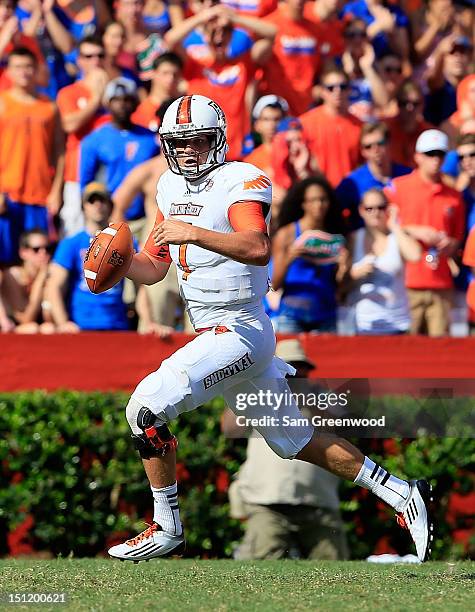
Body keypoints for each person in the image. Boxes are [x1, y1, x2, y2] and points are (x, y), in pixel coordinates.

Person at [104, 95, 433, 564]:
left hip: (240, 328)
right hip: (214, 331)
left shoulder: (241, 179)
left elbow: (257, 246)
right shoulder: (168, 187)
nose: (188, 152)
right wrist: (119, 267)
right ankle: (404, 495)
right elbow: (155, 267)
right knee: (293, 441)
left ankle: (167, 525)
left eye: (197, 141)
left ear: (217, 140)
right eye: (179, 143)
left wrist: (194, 232)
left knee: (144, 409)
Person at [222, 339, 348, 560]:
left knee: (335, 568)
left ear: (308, 372)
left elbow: (337, 426)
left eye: (300, 369)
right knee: (262, 570)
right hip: (266, 501)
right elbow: (230, 430)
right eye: (288, 368)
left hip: (318, 502)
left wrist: (308, 398)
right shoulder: (258, 394)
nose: (294, 375)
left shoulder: (322, 396)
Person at [165, 2, 276, 160]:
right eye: (213, 31)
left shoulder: (243, 64)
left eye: (225, 31)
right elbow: (170, 40)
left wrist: (235, 18)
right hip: (202, 154)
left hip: (238, 152)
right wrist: (203, 17)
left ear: (232, 34)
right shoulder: (195, 65)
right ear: (205, 35)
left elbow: (272, 33)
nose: (219, 37)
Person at [46, 182, 158, 333]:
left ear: (110, 206)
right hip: (81, 327)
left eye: (102, 200)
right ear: (83, 207)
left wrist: (148, 322)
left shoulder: (125, 244)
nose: (97, 205)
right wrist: (63, 323)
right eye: (92, 200)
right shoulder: (71, 244)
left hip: (117, 325)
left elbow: (140, 287)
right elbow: (54, 286)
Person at [384, 129, 465, 336]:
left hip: (440, 283)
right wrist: (415, 231)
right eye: (430, 154)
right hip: (405, 285)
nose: (435, 160)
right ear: (417, 156)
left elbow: (458, 238)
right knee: (405, 350)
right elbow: (382, 224)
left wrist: (449, 243)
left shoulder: (454, 196)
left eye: (440, 154)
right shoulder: (398, 188)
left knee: (439, 352)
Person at [0, 46, 64, 265]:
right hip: (8, 194)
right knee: (7, 260)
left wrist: (56, 190)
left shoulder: (49, 107)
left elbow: (59, 151)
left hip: (40, 194)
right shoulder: (2, 102)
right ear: (8, 71)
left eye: (28, 67)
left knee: (39, 259)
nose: (24, 72)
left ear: (36, 70)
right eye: (18, 67)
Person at [79, 76, 159, 242]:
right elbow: (86, 184)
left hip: (146, 217)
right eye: (116, 100)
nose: (122, 104)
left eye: (127, 99)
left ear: (136, 103)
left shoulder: (150, 139)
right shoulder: (94, 140)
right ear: (107, 103)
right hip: (109, 218)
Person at [271, 175, 348, 332]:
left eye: (323, 200)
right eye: (313, 200)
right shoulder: (287, 234)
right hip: (291, 314)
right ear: (303, 204)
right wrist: (290, 257)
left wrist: (344, 268)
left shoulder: (334, 236)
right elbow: (274, 285)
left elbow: (342, 289)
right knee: (291, 356)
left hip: (325, 314)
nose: (319, 205)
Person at [345, 189, 421, 335]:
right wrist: (355, 274)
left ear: (388, 209)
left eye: (381, 207)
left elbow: (415, 256)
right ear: (361, 210)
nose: (375, 212)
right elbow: (341, 283)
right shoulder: (354, 239)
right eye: (369, 208)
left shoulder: (396, 237)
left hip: (397, 325)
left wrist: (394, 225)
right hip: (362, 325)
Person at [57, 35, 110, 237]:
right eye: (88, 56)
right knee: (73, 229)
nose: (95, 61)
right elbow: (69, 124)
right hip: (77, 174)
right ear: (79, 60)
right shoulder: (69, 92)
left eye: (100, 56)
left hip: (107, 173)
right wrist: (96, 98)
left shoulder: (116, 91)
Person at [336, 122, 411, 231]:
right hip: (368, 243)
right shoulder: (352, 182)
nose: (375, 150)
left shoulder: (407, 176)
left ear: (389, 144)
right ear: (362, 151)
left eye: (380, 143)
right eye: (368, 146)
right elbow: (333, 213)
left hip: (403, 238)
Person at [299, 67, 362, 187]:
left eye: (342, 87)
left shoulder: (359, 125)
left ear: (349, 90)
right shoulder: (305, 123)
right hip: (319, 193)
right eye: (331, 88)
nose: (337, 91)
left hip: (351, 193)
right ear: (322, 91)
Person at [3, 228, 55, 334]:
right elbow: (26, 319)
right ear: (23, 253)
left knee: (48, 328)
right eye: (36, 249)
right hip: (13, 327)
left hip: (35, 326)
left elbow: (49, 317)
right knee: (33, 328)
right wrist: (40, 279)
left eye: (48, 249)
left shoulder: (51, 273)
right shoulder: (13, 275)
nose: (43, 253)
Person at [132, 52, 183, 132]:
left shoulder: (184, 110)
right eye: (165, 73)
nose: (171, 78)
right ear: (153, 74)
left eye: (175, 74)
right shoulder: (142, 113)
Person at [242, 94, 288, 176]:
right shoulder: (251, 162)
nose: (272, 125)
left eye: (277, 119)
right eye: (266, 119)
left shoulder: (295, 153)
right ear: (257, 125)